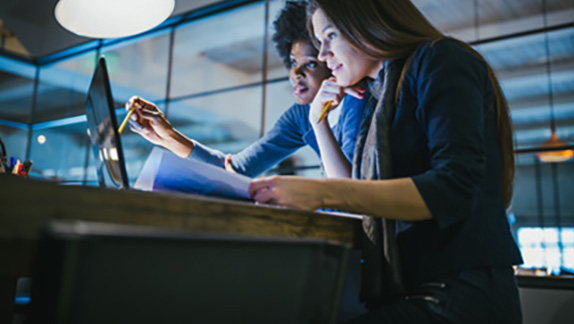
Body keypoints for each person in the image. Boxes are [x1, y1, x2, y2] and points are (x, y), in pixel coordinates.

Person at [249, 0, 523, 323]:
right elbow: (357, 198)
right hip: (418, 289)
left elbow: (454, 186)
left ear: (366, 21)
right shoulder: (378, 96)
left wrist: (322, 193)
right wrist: (318, 123)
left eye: (330, 36)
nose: (323, 55)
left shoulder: (440, 59)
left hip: (460, 291)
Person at [127, 0, 365, 178]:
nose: (296, 74)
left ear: (332, 61)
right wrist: (166, 135)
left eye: (311, 64)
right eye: (293, 63)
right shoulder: (301, 115)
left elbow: (352, 190)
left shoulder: (359, 99)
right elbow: (235, 170)